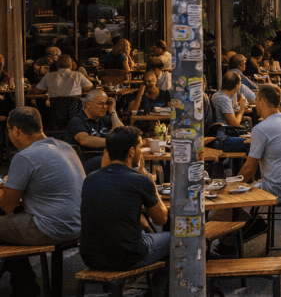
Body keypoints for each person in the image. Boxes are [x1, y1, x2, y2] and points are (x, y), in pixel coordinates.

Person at [0, 107, 86, 297]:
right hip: (81, 223)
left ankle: (25, 283)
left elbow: (7, 205)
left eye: (8, 130)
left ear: (16, 130)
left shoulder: (24, 156)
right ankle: (23, 282)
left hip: (53, 227)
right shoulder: (65, 146)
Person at [80, 126, 168, 297]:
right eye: (141, 147)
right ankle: (154, 292)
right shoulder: (140, 180)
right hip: (127, 256)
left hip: (90, 256)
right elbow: (161, 219)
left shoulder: (90, 179)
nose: (142, 152)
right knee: (175, 240)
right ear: (131, 151)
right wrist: (151, 182)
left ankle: (139, 288)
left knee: (141, 231)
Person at [237, 85, 281, 200]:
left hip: (280, 190)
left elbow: (250, 168)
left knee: (230, 199)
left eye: (256, 99)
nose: (255, 103)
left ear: (262, 102)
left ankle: (251, 218)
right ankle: (255, 218)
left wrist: (232, 185)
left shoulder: (260, 129)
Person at [66, 90, 125, 161]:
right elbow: (84, 140)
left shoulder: (105, 119)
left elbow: (123, 133)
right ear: (88, 104)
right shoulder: (77, 120)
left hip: (105, 156)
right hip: (86, 161)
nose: (104, 107)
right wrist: (112, 142)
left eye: (106, 104)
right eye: (100, 104)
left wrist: (113, 111)